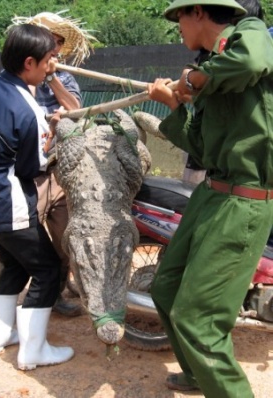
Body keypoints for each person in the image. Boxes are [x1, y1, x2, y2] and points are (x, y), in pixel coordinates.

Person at [147, 1, 273, 397]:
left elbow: (253, 60)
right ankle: (199, 374)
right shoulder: (214, 69)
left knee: (199, 319)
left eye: (179, 19)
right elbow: (199, 148)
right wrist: (175, 105)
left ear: (199, 12)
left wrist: (194, 81)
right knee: (165, 290)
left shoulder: (248, 33)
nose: (178, 29)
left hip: (244, 200)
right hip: (211, 192)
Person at [0, 24, 75, 370]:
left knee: (13, 262)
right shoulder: (28, 110)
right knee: (48, 269)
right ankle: (34, 350)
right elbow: (32, 167)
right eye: (49, 60)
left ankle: (0, 334)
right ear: (29, 62)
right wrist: (52, 131)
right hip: (4, 204)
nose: (52, 66)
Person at [0, 12, 97, 316]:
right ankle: (6, 296)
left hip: (58, 167)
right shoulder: (18, 74)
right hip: (26, 170)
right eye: (49, 39)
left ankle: (54, 292)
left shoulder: (63, 77)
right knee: (19, 234)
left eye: (58, 41)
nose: (55, 46)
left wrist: (52, 78)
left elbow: (77, 110)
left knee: (63, 234)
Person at [182, 0, 264, 184]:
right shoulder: (210, 55)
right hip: (209, 161)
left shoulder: (253, 53)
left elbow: (250, 62)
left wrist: (194, 79)